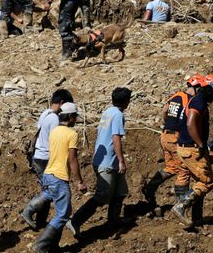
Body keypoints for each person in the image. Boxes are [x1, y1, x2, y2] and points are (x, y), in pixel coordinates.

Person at [66, 87, 131, 239]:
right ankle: (75, 221)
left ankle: (113, 221)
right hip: (108, 163)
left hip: (105, 160)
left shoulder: (108, 112)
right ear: (126, 101)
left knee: (120, 192)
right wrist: (121, 160)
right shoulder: (118, 115)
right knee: (102, 196)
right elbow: (116, 138)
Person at [142, 75, 207, 206]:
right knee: (184, 171)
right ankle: (180, 206)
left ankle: (150, 187)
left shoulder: (176, 96)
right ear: (197, 87)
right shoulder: (190, 100)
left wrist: (168, 123)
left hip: (165, 136)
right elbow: (189, 120)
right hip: (175, 138)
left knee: (172, 167)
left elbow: (164, 111)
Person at [30, 102, 87, 253]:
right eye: (75, 117)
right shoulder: (71, 134)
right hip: (59, 177)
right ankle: (41, 246)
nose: (76, 120)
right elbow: (73, 159)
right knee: (63, 215)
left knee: (61, 212)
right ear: (70, 117)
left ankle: (53, 247)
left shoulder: (54, 131)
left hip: (48, 174)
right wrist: (79, 181)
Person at [171, 74, 213, 228]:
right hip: (191, 149)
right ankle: (180, 207)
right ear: (209, 89)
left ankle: (196, 218)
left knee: (197, 182)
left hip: (184, 147)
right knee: (207, 182)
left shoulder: (195, 100)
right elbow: (191, 123)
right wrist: (200, 144)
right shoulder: (199, 102)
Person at [21, 89, 74, 231]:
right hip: (46, 158)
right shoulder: (55, 119)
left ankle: (40, 221)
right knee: (51, 190)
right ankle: (29, 211)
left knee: (48, 189)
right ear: (62, 103)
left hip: (38, 156)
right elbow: (55, 140)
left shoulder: (45, 113)